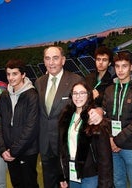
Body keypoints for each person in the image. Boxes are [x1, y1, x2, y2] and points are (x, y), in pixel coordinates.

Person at [34, 46, 84, 188]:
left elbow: (85, 109)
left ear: (63, 60)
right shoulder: (39, 82)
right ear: (44, 61)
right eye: (48, 58)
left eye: (55, 58)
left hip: (66, 145)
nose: (51, 62)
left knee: (67, 184)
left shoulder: (75, 80)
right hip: (45, 145)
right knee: (49, 183)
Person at [102, 51, 132, 188]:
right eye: (117, 66)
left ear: (131, 67)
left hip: (131, 147)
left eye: (124, 66)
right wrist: (110, 138)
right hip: (111, 145)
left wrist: (117, 140)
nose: (120, 70)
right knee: (118, 182)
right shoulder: (109, 90)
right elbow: (104, 117)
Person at [59, 82, 113, 188]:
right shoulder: (66, 117)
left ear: (88, 95)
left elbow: (105, 158)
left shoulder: (95, 118)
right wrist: (62, 175)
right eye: (75, 93)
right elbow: (61, 149)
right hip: (72, 171)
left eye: (82, 93)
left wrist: (105, 184)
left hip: (90, 174)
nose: (78, 97)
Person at [0, 59, 39, 188]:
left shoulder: (32, 95)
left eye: (15, 74)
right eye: (8, 74)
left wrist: (13, 151)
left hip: (27, 151)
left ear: (23, 75)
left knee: (29, 184)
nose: (11, 78)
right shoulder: (4, 95)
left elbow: (31, 127)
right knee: (17, 184)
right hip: (8, 151)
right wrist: (2, 149)